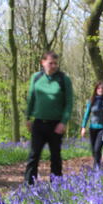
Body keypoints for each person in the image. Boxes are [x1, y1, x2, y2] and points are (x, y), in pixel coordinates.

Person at [24, 51, 74, 185]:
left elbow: (69, 103)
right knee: (33, 156)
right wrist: (28, 117)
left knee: (55, 157)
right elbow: (31, 98)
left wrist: (63, 122)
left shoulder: (64, 79)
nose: (53, 66)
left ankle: (56, 186)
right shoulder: (36, 78)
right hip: (39, 123)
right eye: (50, 63)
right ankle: (28, 186)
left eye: (55, 63)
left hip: (56, 125)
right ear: (43, 62)